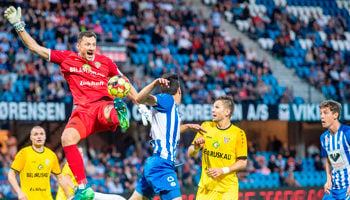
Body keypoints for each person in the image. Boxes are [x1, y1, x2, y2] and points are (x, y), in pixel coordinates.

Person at [4, 6, 151, 200]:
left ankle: (117, 112)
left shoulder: (105, 62)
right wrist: (18, 25)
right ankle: (83, 187)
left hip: (102, 105)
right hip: (82, 111)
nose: (92, 47)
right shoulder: (68, 59)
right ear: (79, 46)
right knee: (66, 139)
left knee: (108, 108)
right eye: (88, 44)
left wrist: (139, 103)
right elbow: (35, 48)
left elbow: (125, 83)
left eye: (94, 44)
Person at [129, 74, 206, 200]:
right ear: (179, 91)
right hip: (162, 165)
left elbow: (170, 133)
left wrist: (187, 126)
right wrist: (154, 84)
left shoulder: (171, 109)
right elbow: (139, 99)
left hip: (155, 164)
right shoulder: (168, 100)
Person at [188, 95, 247, 200]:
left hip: (228, 189)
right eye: (213, 107)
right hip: (206, 188)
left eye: (217, 107)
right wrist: (196, 148)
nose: (212, 110)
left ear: (227, 112)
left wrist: (222, 170)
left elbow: (242, 163)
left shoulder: (238, 133)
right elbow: (190, 153)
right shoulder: (206, 126)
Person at [8, 126, 70, 200]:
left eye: (41, 134)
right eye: (36, 134)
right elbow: (11, 174)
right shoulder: (24, 153)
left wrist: (69, 197)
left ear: (45, 137)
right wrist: (19, 192)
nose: (39, 136)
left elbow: (60, 178)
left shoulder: (51, 155)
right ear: (31, 137)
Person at [56, 146, 126, 200]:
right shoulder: (70, 164)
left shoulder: (78, 165)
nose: (81, 154)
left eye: (82, 153)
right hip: (66, 197)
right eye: (78, 152)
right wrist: (77, 189)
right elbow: (66, 179)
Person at [319, 100, 350, 200]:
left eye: (326, 113)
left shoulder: (347, 133)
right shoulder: (324, 138)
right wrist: (328, 180)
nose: (322, 116)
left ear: (335, 115)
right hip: (334, 189)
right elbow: (328, 159)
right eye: (321, 113)